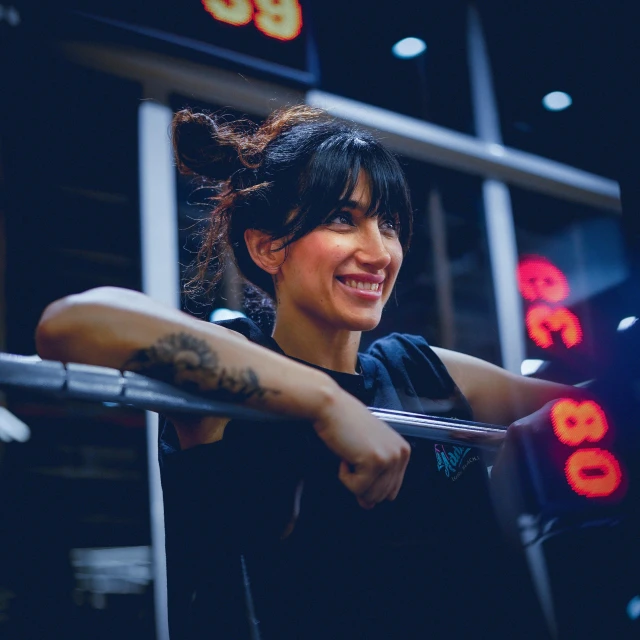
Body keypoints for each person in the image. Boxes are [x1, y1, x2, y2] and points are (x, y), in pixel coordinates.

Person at [36, 105, 575, 638]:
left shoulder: (426, 373)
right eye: (343, 218)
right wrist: (326, 400)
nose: (378, 251)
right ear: (269, 247)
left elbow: (600, 409)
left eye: (387, 223)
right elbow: (74, 324)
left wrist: (543, 453)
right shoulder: (235, 364)